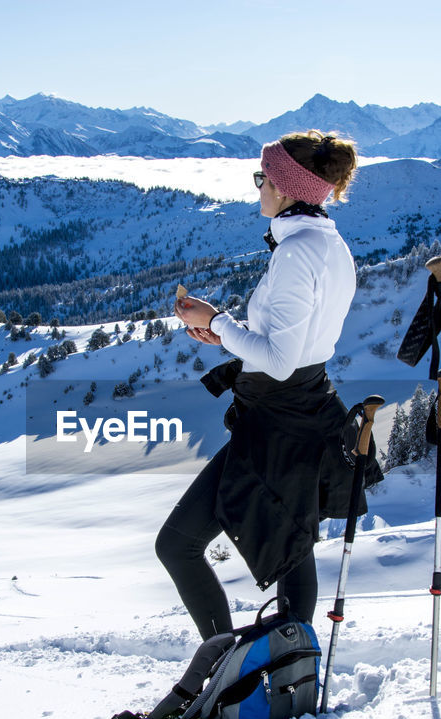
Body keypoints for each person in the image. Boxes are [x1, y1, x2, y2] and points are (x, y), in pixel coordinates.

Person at [159, 130, 367, 640]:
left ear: (287, 187)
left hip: (278, 419)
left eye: (262, 178)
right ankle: (287, 674)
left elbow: (278, 360)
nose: (258, 188)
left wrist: (221, 321)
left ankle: (227, 666)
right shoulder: (328, 244)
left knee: (179, 544)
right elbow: (293, 347)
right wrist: (226, 338)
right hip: (304, 409)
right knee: (291, 544)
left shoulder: (297, 254)